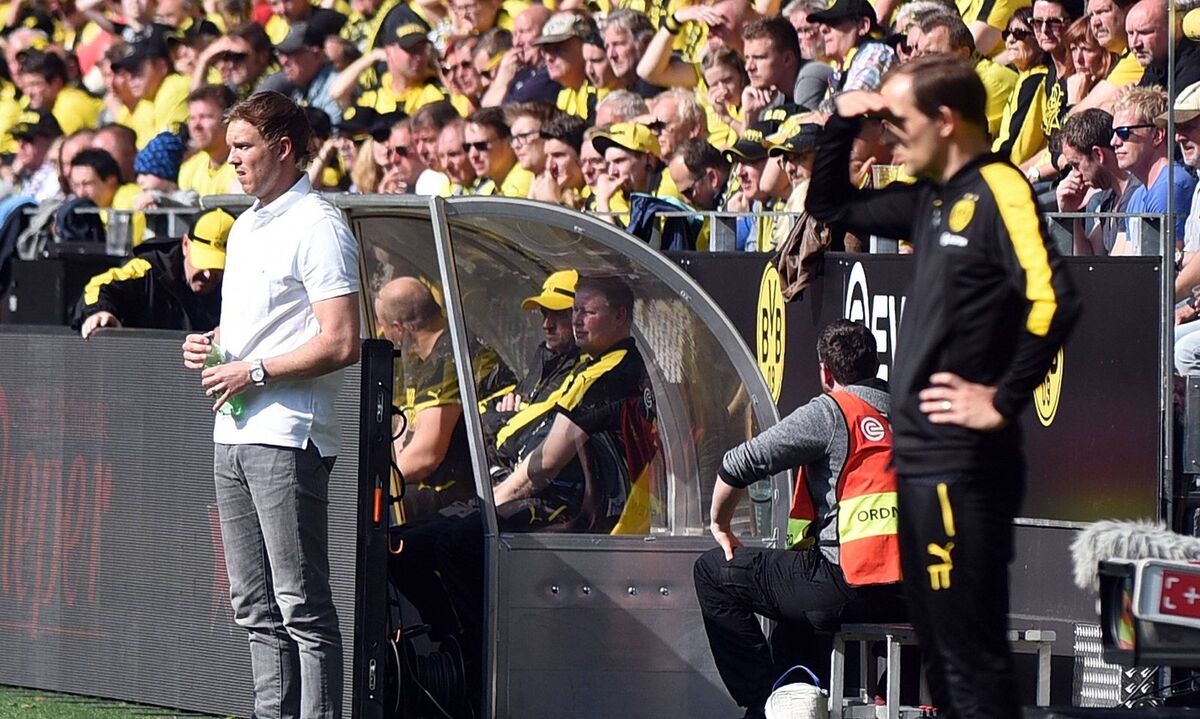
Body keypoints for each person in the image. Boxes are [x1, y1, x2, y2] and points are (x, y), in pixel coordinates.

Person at [806, 55, 1080, 719]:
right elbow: (829, 206)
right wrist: (842, 124)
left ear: (947, 120)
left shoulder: (998, 187)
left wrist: (1001, 399)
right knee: (940, 655)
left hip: (963, 462)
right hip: (921, 460)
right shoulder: (932, 198)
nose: (892, 135)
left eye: (900, 120)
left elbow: (1055, 298)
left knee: (969, 657)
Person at [180, 91, 360, 719]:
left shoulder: (320, 224)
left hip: (287, 435)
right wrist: (212, 344)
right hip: (233, 432)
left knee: (301, 606)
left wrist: (253, 369)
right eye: (230, 147)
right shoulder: (247, 225)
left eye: (243, 146)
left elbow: (341, 341)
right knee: (253, 606)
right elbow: (260, 329)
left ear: (283, 149)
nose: (230, 158)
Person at [695, 320, 905, 719]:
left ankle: (767, 702)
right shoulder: (915, 417)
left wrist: (720, 525)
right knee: (794, 622)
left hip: (846, 585)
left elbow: (738, 464)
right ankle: (791, 694)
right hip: (912, 599)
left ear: (826, 372)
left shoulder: (833, 411)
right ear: (877, 366)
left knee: (712, 572)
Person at [375, 276, 515, 521]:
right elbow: (405, 431)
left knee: (374, 512)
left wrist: (371, 484)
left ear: (398, 328)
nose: (381, 332)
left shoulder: (449, 358)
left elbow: (426, 456)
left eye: (382, 324)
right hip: (445, 479)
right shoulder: (422, 357)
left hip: (468, 488)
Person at [73, 208, 234, 339]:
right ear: (185, 245)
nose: (208, 275)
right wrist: (99, 311)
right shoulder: (148, 269)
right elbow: (100, 285)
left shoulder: (241, 285)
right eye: (202, 263)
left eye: (218, 269)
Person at [1110, 84, 1194, 254]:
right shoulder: (1137, 195)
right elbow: (1124, 260)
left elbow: (1168, 264)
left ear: (1157, 135)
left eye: (1123, 133)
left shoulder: (1170, 187)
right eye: (1112, 134)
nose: (1114, 142)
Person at [1055, 108, 1136, 255]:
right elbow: (1088, 259)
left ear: (1098, 154)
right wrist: (1070, 213)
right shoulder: (1108, 199)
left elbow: (1116, 264)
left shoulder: (1135, 194)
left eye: (1076, 165)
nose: (1074, 174)